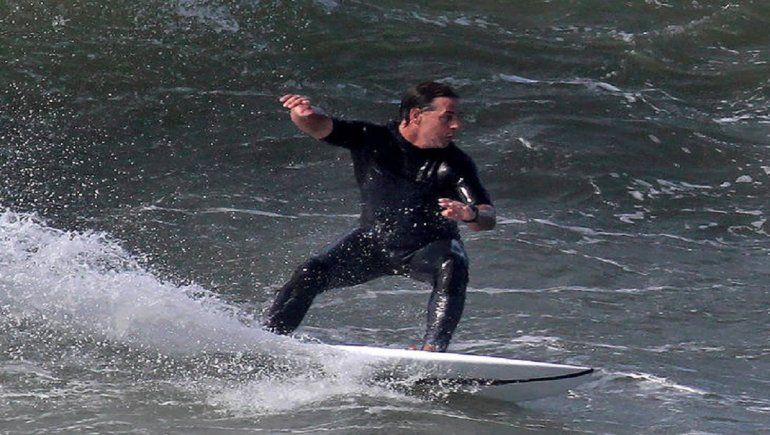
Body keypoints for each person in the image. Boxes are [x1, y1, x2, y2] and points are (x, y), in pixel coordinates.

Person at [263, 82, 496, 352]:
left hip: (426, 249)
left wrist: (470, 214)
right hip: (373, 243)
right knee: (309, 273)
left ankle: (433, 350)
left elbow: (487, 217)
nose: (456, 125)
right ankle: (268, 341)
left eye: (457, 118)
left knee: (452, 264)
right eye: (447, 117)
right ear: (416, 115)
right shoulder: (372, 139)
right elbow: (320, 126)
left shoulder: (455, 163)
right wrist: (301, 113)